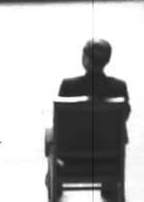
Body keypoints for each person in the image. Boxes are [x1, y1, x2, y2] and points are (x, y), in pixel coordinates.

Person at [55, 39, 130, 201]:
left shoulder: (68, 86)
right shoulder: (119, 87)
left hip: (70, 157)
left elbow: (59, 123)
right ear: (107, 60)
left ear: (85, 60)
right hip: (108, 156)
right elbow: (124, 116)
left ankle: (55, 180)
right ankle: (109, 185)